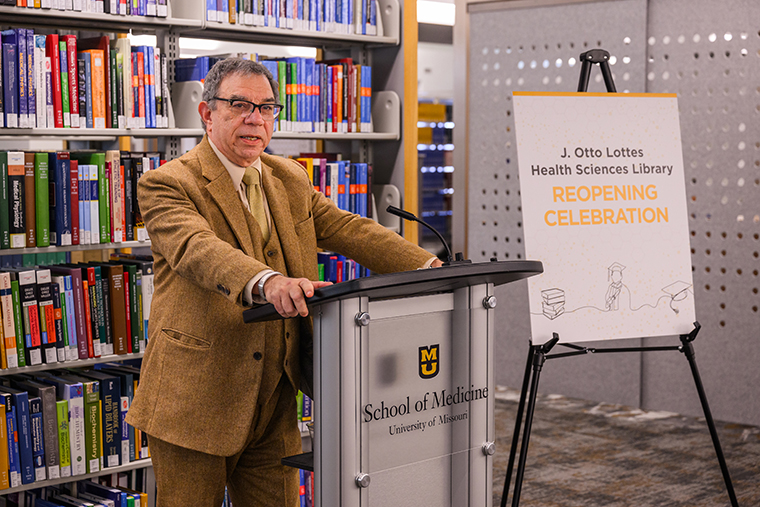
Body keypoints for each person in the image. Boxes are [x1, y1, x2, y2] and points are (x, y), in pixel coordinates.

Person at [126, 58, 442, 507]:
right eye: (239, 105)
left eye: (266, 107)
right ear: (207, 113)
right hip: (194, 402)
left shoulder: (288, 176)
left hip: (276, 402)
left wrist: (429, 268)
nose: (254, 117)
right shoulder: (168, 183)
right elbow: (197, 250)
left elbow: (348, 228)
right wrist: (267, 280)